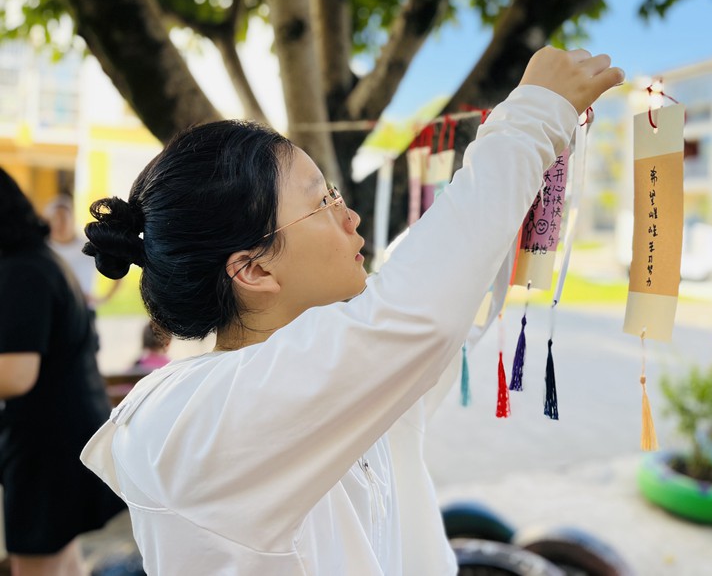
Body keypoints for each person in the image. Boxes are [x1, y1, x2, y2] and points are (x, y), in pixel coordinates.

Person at [80, 47, 624, 574]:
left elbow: (444, 287)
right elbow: (416, 314)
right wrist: (532, 118)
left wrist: (536, 167)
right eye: (321, 202)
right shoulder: (202, 418)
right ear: (254, 270)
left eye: (334, 192)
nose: (351, 216)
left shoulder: (342, 375)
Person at [0, 170, 126, 576]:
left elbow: (16, 374)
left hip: (47, 444)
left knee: (36, 565)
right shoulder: (35, 261)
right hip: (61, 436)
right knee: (63, 562)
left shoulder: (22, 272)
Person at [45, 194, 122, 309]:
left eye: (64, 218)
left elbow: (119, 267)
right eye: (55, 219)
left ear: (72, 219)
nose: (59, 224)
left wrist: (104, 298)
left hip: (83, 310)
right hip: (52, 311)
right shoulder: (43, 249)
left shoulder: (90, 245)